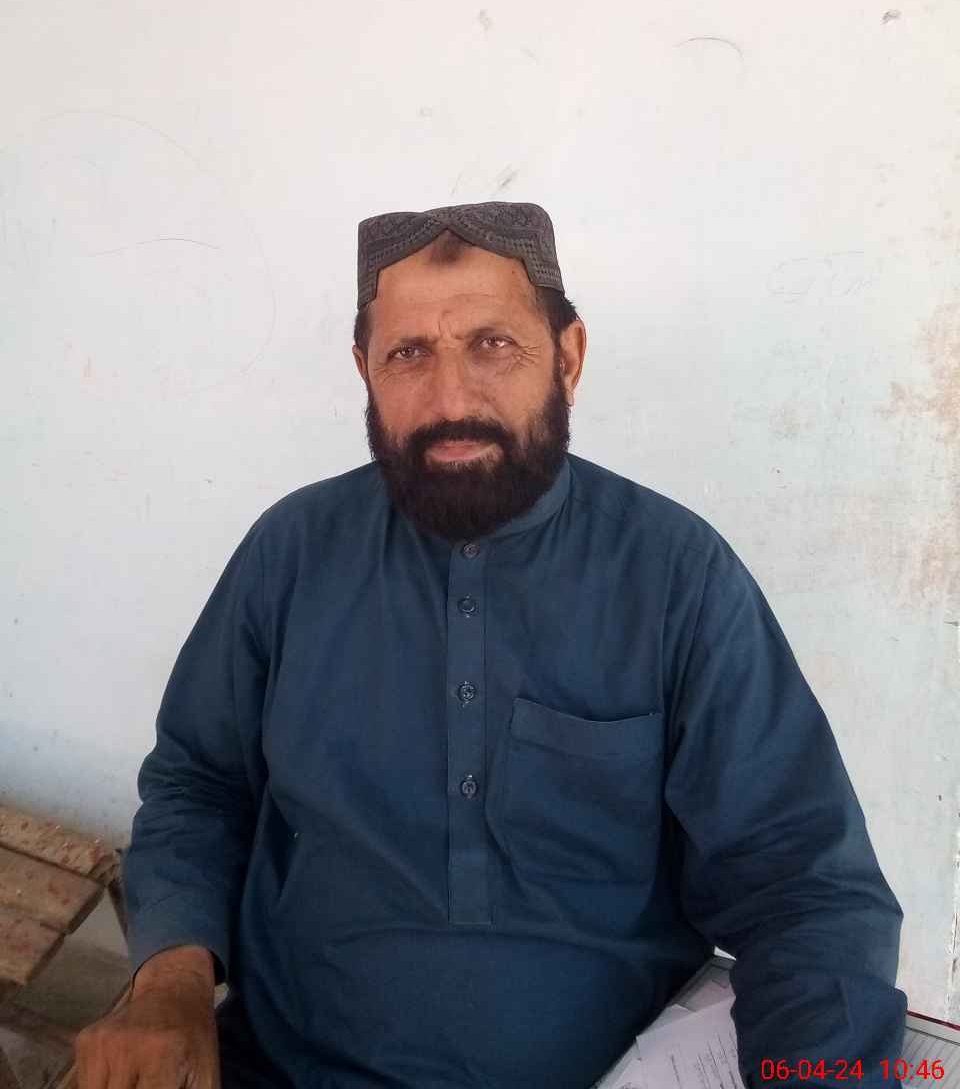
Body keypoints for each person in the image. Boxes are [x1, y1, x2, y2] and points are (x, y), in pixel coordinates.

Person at [75, 201, 906, 1089]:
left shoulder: (676, 576)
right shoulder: (293, 552)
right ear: (363, 369)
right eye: (408, 354)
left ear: (568, 358)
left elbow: (801, 884)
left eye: (493, 344)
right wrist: (169, 984)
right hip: (284, 1067)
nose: (451, 401)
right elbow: (200, 785)